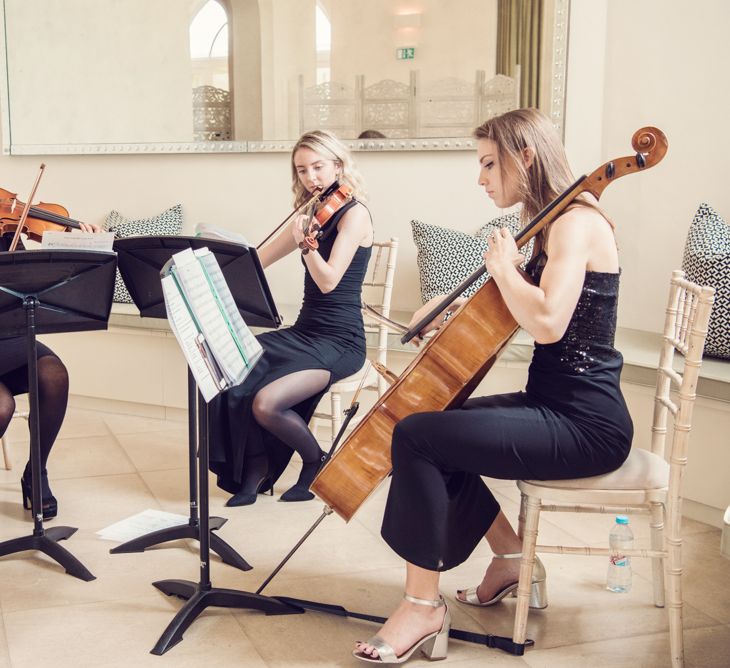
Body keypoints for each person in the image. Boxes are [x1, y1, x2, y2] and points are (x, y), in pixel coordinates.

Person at [353, 108, 633, 664]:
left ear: (524, 156)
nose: (481, 179)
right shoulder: (552, 221)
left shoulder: (576, 222)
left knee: (418, 436)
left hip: (587, 424)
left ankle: (422, 606)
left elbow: (549, 320)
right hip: (555, 403)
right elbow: (523, 310)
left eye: (488, 164)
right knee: (439, 428)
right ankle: (510, 558)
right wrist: (455, 307)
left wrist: (504, 269)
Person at [209, 130, 373, 506]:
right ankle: (254, 467)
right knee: (231, 366)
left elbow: (329, 281)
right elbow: (258, 260)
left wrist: (306, 245)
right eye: (302, 170)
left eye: (318, 167)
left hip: (340, 341)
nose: (311, 177)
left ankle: (315, 460)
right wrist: (219, 263)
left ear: (338, 165)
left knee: (266, 403)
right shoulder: (310, 214)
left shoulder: (356, 214)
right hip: (304, 331)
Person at [0, 220, 101, 520]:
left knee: (54, 375)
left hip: (12, 338)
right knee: (2, 408)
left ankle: (36, 471)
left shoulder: (9, 230)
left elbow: (36, 281)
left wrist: (80, 245)